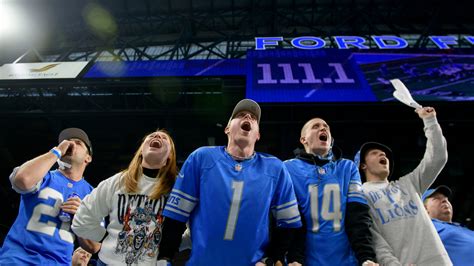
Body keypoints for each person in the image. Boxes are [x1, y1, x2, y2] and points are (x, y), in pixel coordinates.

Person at [157, 99, 302, 265]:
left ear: (258, 134)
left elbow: (288, 223)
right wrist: (165, 256)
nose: (247, 117)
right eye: (240, 115)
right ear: (227, 129)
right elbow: (177, 214)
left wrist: (273, 257)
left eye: (253, 118)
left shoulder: (275, 168)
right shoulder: (202, 158)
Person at [354, 106, 451, 265]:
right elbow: (375, 241)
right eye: (374, 153)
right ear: (362, 165)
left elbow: (438, 158)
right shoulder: (360, 195)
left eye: (384, 153)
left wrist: (430, 121)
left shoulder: (409, 183)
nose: (382, 154)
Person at [72, 129, 178, 265]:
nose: (157, 136)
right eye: (151, 135)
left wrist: (173, 246)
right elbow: (82, 219)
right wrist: (106, 238)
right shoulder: (117, 182)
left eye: (164, 138)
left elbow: (198, 226)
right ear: (141, 151)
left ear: (169, 155)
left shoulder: (177, 188)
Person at [284, 118, 377, 266]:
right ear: (303, 139)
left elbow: (357, 216)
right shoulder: (288, 169)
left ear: (331, 140)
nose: (323, 129)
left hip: (347, 261)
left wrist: (366, 256)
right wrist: (295, 258)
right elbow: (290, 219)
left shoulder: (348, 167)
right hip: (306, 261)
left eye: (326, 126)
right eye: (316, 126)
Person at [0, 128, 97, 265]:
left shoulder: (92, 194)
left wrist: (81, 218)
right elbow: (22, 180)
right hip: (19, 259)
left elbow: (93, 246)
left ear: (88, 158)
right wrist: (56, 152)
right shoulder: (44, 176)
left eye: (78, 143)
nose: (71, 144)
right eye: (67, 141)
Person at [423, 185, 474, 266]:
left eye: (446, 199)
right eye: (436, 199)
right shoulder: (426, 228)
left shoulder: (462, 228)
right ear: (424, 209)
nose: (444, 200)